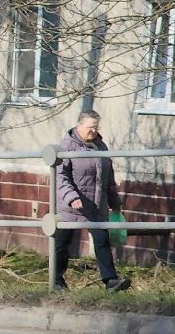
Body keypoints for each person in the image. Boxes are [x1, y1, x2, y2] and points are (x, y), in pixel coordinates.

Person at [54, 111, 131, 292]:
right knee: (63, 242)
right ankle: (56, 280)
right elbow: (61, 177)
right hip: (74, 205)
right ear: (79, 126)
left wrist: (114, 200)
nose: (94, 131)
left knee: (101, 239)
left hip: (97, 204)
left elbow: (108, 177)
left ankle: (111, 281)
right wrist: (72, 198)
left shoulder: (100, 146)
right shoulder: (67, 147)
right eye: (90, 127)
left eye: (96, 127)